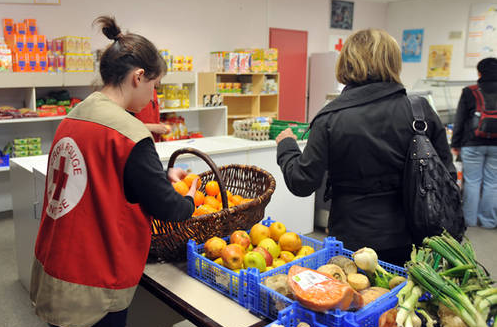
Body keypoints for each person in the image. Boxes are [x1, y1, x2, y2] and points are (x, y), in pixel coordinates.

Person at [30, 16, 196, 327]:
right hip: (94, 281)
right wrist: (189, 199)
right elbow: (166, 207)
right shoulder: (130, 132)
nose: (152, 97)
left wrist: (159, 177)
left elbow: (103, 178)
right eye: (154, 86)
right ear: (138, 76)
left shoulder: (74, 117)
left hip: (55, 266)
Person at [275, 29, 455, 266]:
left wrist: (287, 145)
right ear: (393, 61)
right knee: (402, 299)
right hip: (414, 235)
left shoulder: (331, 116)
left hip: (351, 239)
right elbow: (448, 176)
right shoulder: (419, 110)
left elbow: (302, 182)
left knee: (356, 299)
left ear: (346, 62)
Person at [451, 57, 497, 229]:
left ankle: (469, 221)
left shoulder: (470, 91)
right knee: (493, 183)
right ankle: (489, 221)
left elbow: (460, 119)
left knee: (472, 182)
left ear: (479, 72)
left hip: (472, 143)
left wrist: (455, 143)